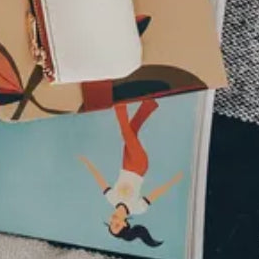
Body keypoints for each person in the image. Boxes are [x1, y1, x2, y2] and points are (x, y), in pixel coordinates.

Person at [77, 99, 183, 250]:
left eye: (111, 225)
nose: (114, 222)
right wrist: (173, 181)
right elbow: (155, 194)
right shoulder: (137, 208)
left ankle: (148, 105)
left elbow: (99, 179)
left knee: (131, 130)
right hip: (139, 165)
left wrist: (87, 162)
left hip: (126, 164)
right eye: (118, 225)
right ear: (125, 223)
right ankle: (120, 105)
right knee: (127, 133)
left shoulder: (112, 199)